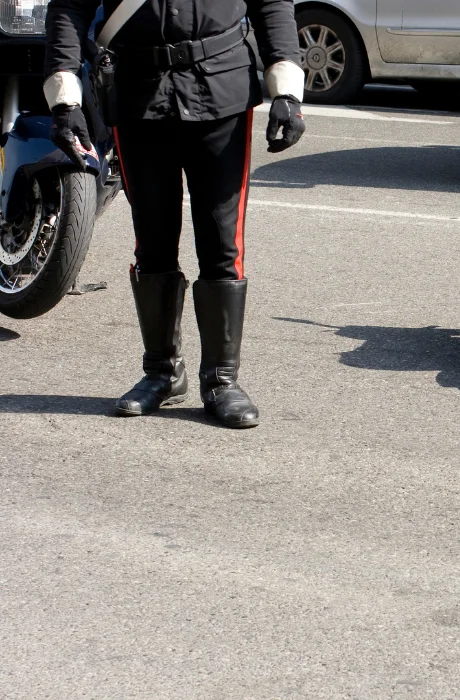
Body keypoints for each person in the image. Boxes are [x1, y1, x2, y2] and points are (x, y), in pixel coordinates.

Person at [43, 0, 306, 429]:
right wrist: (65, 98)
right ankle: (162, 372)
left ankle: (221, 379)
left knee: (223, 243)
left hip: (222, 91)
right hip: (137, 94)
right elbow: (69, 6)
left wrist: (288, 90)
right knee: (153, 239)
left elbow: (272, 4)